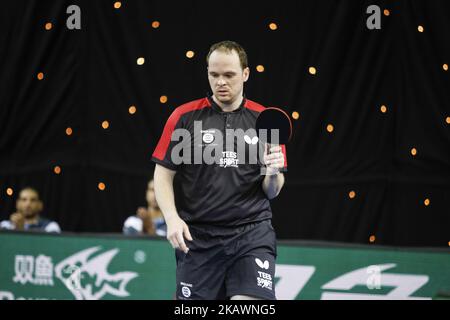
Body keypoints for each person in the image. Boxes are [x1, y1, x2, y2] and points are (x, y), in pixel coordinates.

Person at [152, 41, 287, 300]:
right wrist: (171, 218)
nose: (221, 82)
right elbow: (163, 173)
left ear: (245, 74)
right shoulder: (183, 117)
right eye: (214, 75)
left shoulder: (266, 121)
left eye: (229, 75)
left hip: (251, 233)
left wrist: (272, 172)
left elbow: (272, 191)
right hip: (198, 238)